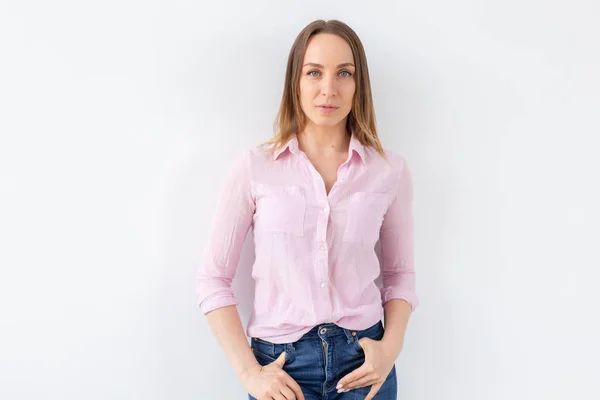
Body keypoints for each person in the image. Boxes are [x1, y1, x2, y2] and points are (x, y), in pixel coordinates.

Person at [196, 19, 419, 400]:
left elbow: (400, 275)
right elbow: (213, 279)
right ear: (295, 82)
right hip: (282, 371)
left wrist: (389, 350)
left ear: (358, 83)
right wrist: (250, 373)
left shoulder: (389, 171)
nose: (328, 89)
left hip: (364, 365)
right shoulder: (256, 167)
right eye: (313, 72)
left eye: (343, 73)